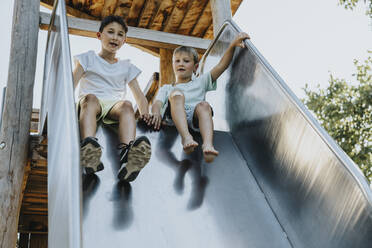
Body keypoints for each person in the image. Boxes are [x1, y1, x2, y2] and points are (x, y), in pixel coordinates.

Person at [73, 15, 151, 182]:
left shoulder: (126, 66)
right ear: (99, 35)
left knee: (127, 105)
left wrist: (145, 115)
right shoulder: (87, 58)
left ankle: (129, 155)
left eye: (120, 34)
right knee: (91, 99)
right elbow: (70, 83)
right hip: (89, 103)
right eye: (110, 32)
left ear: (124, 40)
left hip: (113, 106)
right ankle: (89, 150)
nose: (115, 37)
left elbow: (140, 97)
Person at [150, 32, 250, 163]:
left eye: (186, 61)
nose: (181, 64)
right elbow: (157, 103)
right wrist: (156, 114)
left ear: (195, 67)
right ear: (173, 64)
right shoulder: (167, 88)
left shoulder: (200, 82)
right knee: (177, 94)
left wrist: (232, 46)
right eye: (177, 61)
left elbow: (221, 66)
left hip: (195, 118)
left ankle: (208, 145)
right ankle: (186, 138)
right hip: (173, 116)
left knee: (204, 105)